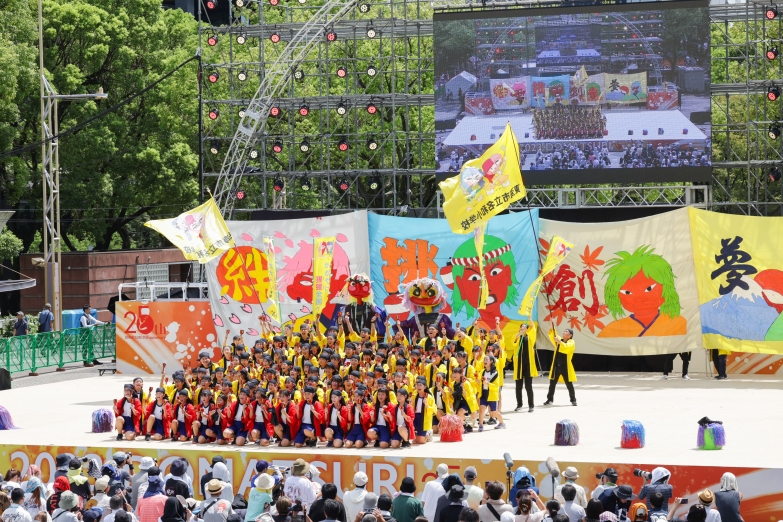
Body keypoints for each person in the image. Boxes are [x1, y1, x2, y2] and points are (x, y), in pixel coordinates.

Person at [544, 328, 577, 406]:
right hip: (556, 366)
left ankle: (573, 400)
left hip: (565, 367)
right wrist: (552, 326)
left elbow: (566, 348)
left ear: (570, 335)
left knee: (569, 384)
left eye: (566, 331)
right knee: (552, 383)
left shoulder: (571, 342)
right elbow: (553, 334)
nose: (564, 332)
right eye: (564, 331)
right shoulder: (559, 340)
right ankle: (549, 399)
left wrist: (559, 341)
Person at [512, 323, 538, 412]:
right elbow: (513, 343)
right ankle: (519, 405)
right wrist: (519, 335)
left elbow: (533, 328)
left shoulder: (530, 337)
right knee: (518, 386)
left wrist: (530, 318)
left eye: (524, 327)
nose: (522, 328)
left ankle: (531, 405)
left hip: (528, 365)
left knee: (528, 386)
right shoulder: (516, 336)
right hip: (519, 366)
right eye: (521, 327)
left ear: (527, 329)